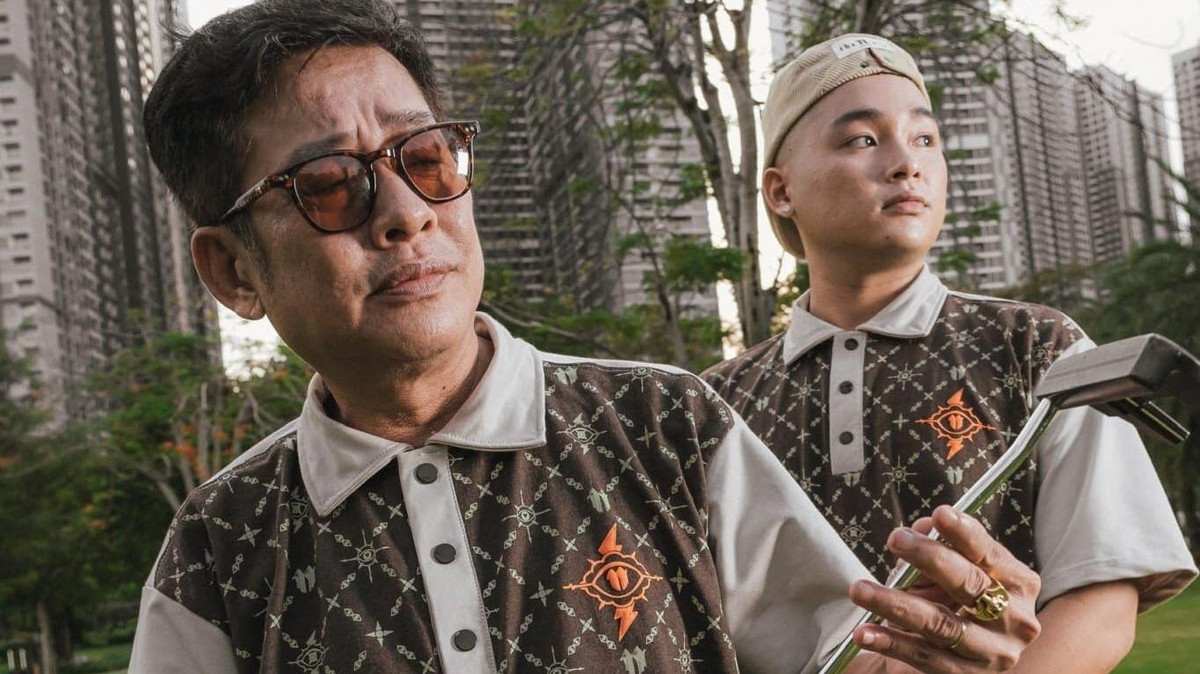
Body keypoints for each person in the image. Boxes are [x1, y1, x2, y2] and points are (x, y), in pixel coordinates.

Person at [130, 6, 1042, 672]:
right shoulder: (220, 546)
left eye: (426, 158)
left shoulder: (666, 425)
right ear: (232, 271)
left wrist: (969, 626)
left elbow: (862, 655)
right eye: (330, 184)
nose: (407, 213)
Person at [702, 33, 1198, 673]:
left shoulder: (1038, 346)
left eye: (925, 138)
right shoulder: (710, 406)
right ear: (780, 191)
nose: (906, 164)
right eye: (863, 139)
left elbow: (1103, 597)